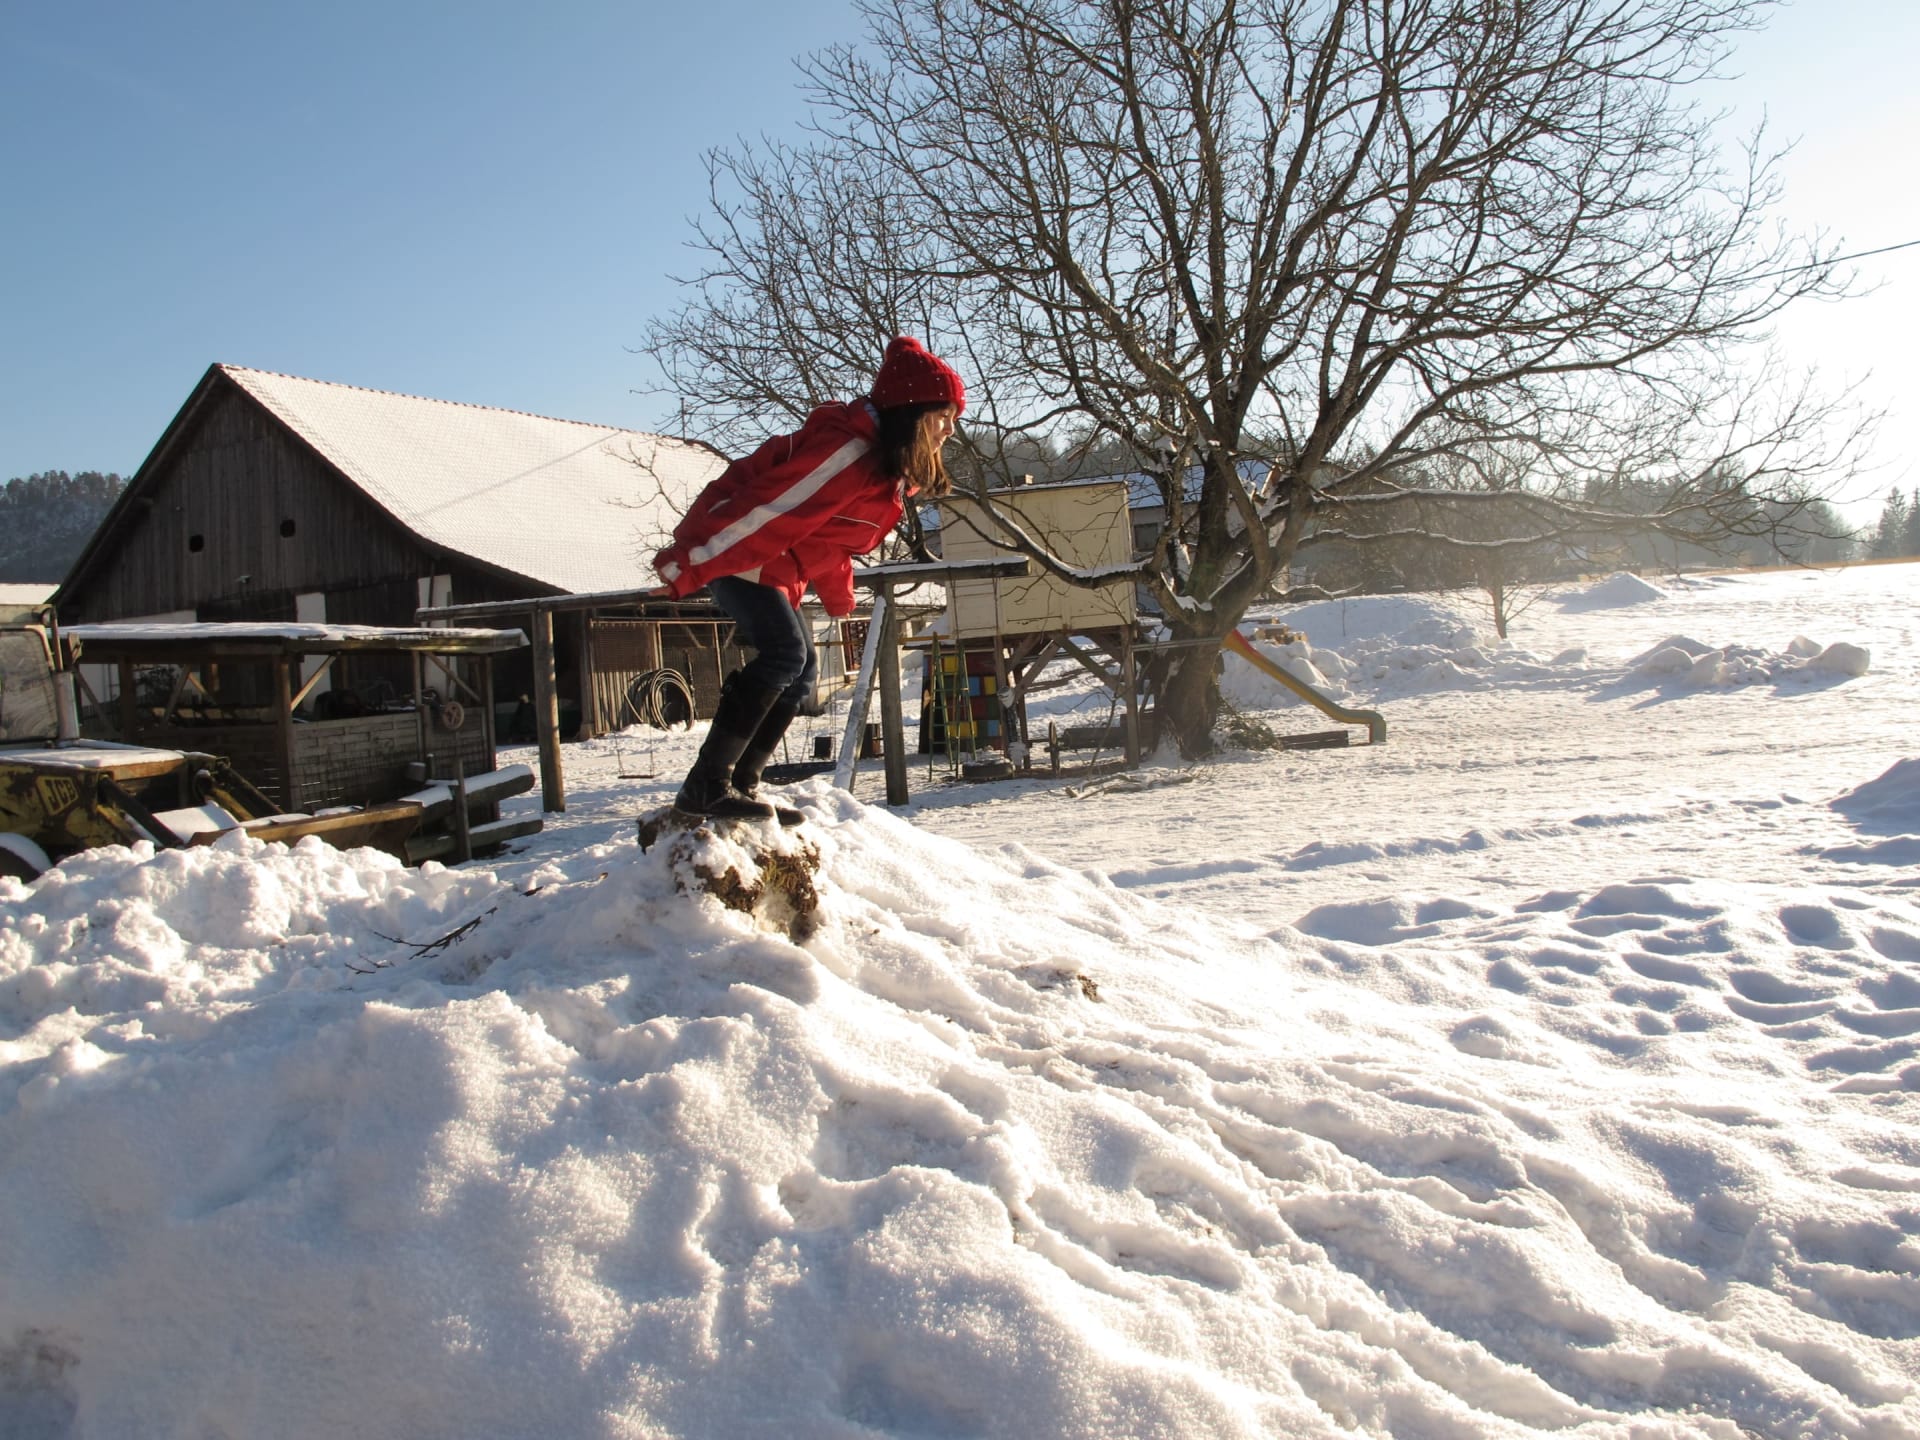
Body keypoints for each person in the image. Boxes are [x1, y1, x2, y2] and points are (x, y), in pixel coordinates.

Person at [653, 336, 965, 821]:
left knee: (802, 676)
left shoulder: (881, 470)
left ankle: (740, 785)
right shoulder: (847, 454)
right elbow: (765, 510)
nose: (950, 428)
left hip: (775, 563)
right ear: (911, 411)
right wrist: (687, 565)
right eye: (943, 414)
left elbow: (825, 540)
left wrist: (839, 596)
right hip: (740, 549)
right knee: (785, 655)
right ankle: (706, 786)